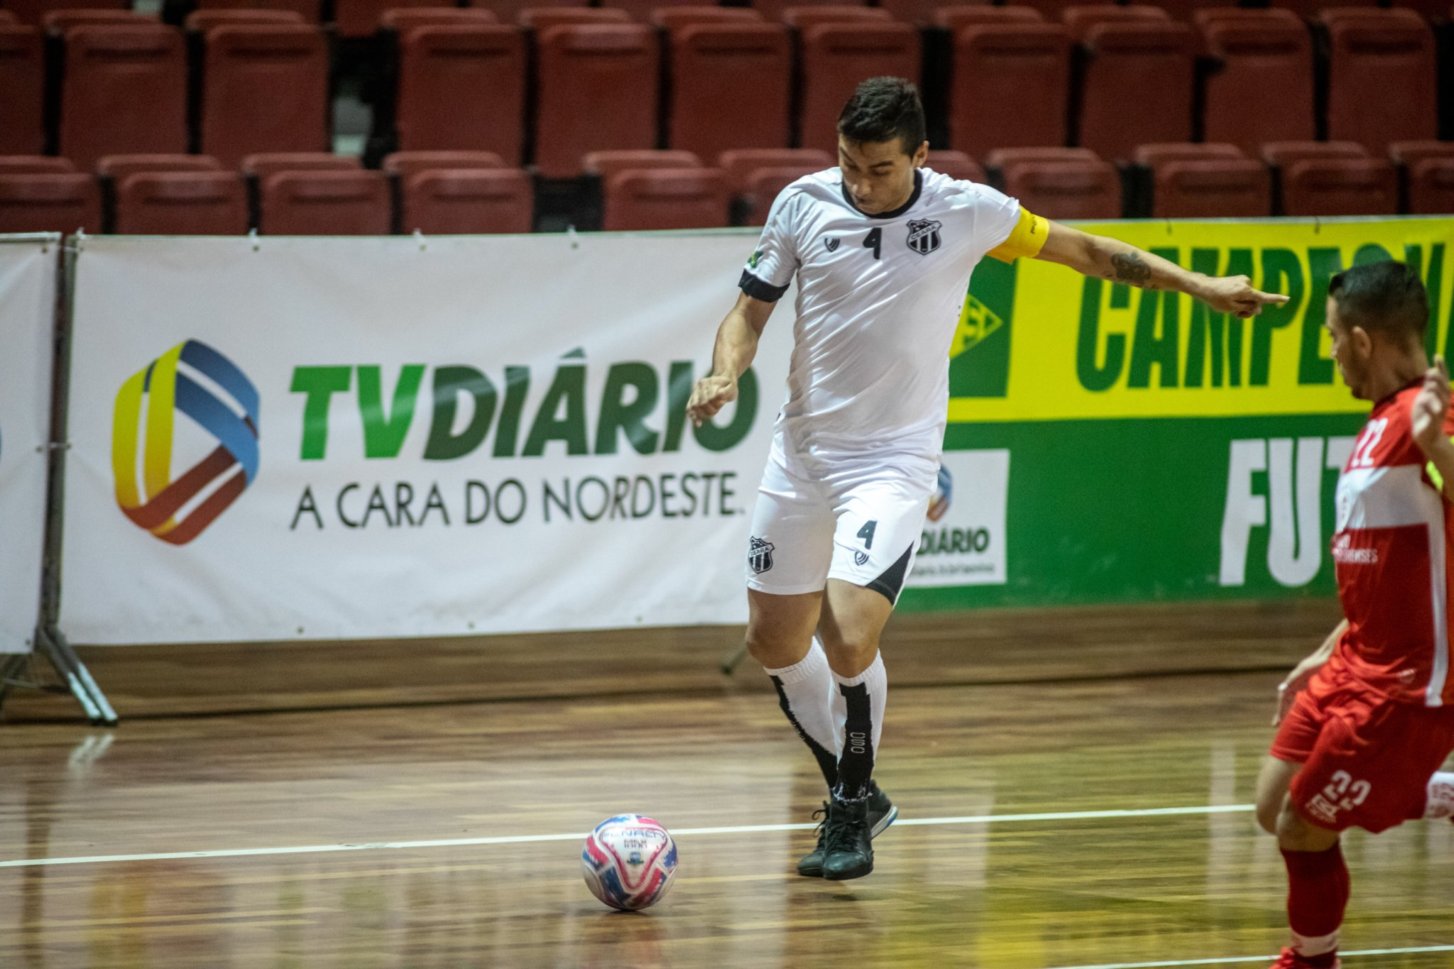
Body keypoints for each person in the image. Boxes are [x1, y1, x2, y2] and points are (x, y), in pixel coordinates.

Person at [686, 76, 1286, 881]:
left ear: (922, 157)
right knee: (774, 641)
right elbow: (749, 311)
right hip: (801, 454)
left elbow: (1090, 253)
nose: (861, 184)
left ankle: (847, 812)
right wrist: (723, 371)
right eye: (849, 165)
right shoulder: (802, 203)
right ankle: (858, 790)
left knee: (850, 632)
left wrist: (1199, 285)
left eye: (880, 169)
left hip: (893, 461)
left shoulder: (969, 210)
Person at [1256, 261, 1454, 969]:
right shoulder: (1376, 423)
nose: (1332, 352)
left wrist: (1438, 447)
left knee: (1301, 827)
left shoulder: (1430, 418)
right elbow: (1385, 569)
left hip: (1404, 685)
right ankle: (1434, 792)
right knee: (1273, 800)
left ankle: (1313, 960)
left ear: (1364, 340)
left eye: (1334, 338)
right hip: (1353, 659)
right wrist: (1323, 650)